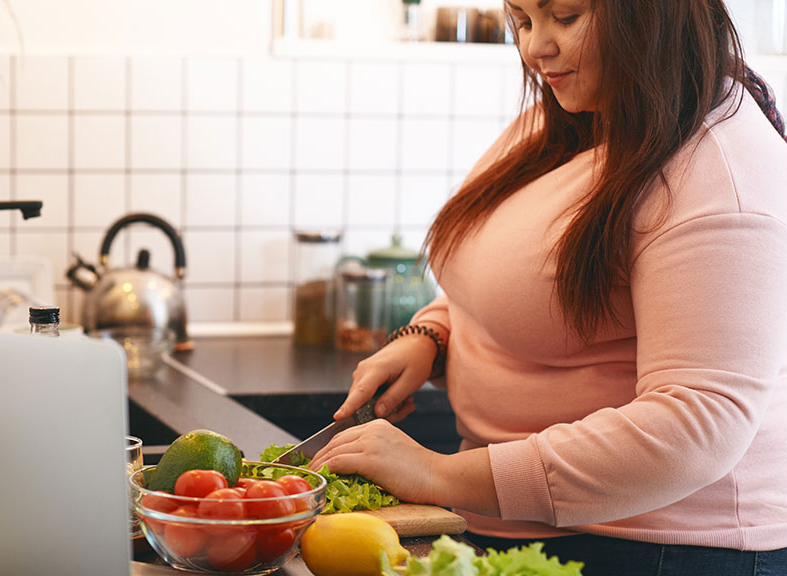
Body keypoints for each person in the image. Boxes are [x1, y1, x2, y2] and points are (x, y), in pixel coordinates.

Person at [307, 0, 787, 574]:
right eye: (524, 20)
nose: (536, 47)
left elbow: (695, 424)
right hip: (517, 529)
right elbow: (514, 276)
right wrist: (430, 335)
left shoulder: (720, 174)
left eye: (565, 16)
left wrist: (436, 474)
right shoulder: (576, 114)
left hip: (650, 548)